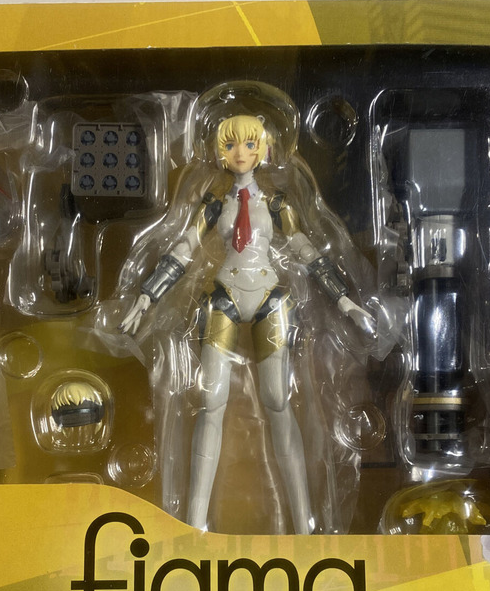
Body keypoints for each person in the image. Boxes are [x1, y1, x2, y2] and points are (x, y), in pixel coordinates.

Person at [121, 114, 374, 533]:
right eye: (231, 145)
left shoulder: (276, 205)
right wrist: (147, 295)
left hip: (270, 297)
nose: (240, 153)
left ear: (264, 149)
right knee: (211, 402)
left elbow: (307, 251)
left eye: (249, 144)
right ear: (220, 152)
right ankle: (193, 524)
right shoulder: (213, 204)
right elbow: (183, 248)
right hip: (223, 295)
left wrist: (344, 300)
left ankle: (304, 526)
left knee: (278, 401)